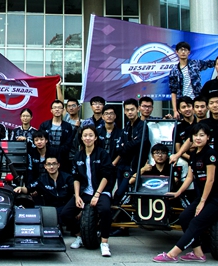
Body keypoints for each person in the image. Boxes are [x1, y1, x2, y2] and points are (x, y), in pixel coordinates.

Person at [173, 92, 218, 257]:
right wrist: (178, 155)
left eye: (217, 102)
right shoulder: (204, 124)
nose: (214, 105)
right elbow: (190, 140)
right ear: (208, 106)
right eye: (211, 103)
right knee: (203, 209)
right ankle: (206, 242)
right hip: (207, 175)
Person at [152, 123, 218, 263]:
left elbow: (210, 180)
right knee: (184, 217)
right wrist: (178, 192)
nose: (198, 138)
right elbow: (190, 177)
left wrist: (202, 202)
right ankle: (198, 253)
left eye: (202, 135)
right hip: (203, 197)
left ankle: (171, 254)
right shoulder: (194, 154)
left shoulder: (210, 154)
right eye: (195, 135)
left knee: (196, 222)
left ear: (208, 137)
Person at [60, 126, 114, 256]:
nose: (87, 138)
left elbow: (106, 176)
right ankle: (79, 236)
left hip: (101, 191)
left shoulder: (102, 153)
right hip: (85, 192)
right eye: (85, 135)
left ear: (95, 138)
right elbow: (76, 178)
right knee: (65, 213)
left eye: (90, 135)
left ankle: (104, 242)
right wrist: (77, 196)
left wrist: (97, 194)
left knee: (105, 210)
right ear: (81, 138)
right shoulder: (78, 156)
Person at [169, 38, 218, 119]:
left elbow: (215, 62)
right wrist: (175, 110)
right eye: (181, 50)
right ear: (177, 52)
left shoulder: (195, 64)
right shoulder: (174, 70)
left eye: (185, 50)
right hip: (183, 103)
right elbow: (173, 91)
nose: (183, 52)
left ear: (189, 52)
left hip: (197, 102)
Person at [14, 155, 73, 223]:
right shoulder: (42, 179)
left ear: (58, 165)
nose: (51, 167)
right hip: (50, 209)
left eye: (54, 164)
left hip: (66, 207)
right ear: (45, 166)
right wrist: (20, 188)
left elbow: (75, 193)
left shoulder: (67, 178)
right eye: (49, 164)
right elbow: (28, 189)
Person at [112, 98, 144, 205]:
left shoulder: (142, 125)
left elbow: (139, 142)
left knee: (120, 193)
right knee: (120, 192)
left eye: (132, 109)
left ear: (138, 109)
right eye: (127, 110)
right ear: (124, 111)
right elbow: (118, 147)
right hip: (122, 165)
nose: (130, 112)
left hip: (133, 167)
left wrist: (125, 145)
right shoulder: (126, 126)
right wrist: (128, 145)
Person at [39, 100, 75, 172]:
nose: (57, 109)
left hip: (63, 157)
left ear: (63, 110)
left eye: (59, 108)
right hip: (47, 156)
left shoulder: (68, 126)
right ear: (51, 110)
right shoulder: (44, 125)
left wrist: (58, 151)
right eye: (55, 107)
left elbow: (69, 142)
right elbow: (41, 140)